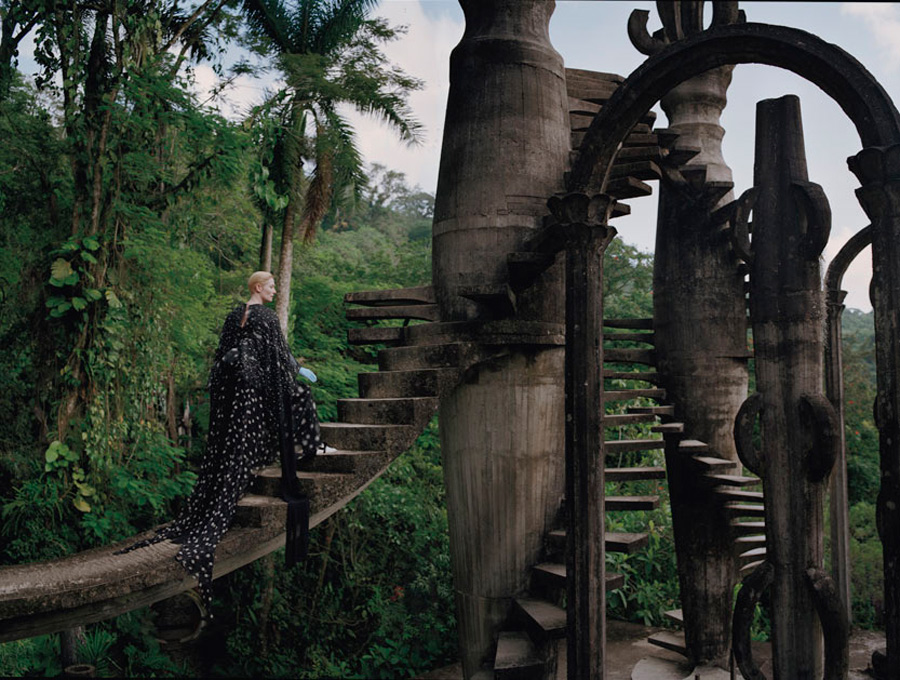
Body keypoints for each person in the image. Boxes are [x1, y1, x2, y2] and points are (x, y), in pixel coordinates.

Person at [116, 271, 322, 611]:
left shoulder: (234, 315)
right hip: (254, 386)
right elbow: (280, 355)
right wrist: (298, 370)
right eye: (271, 285)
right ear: (259, 288)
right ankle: (310, 446)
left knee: (238, 438)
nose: (274, 290)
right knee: (298, 395)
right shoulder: (267, 317)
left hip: (237, 388)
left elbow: (223, 354)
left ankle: (276, 458)